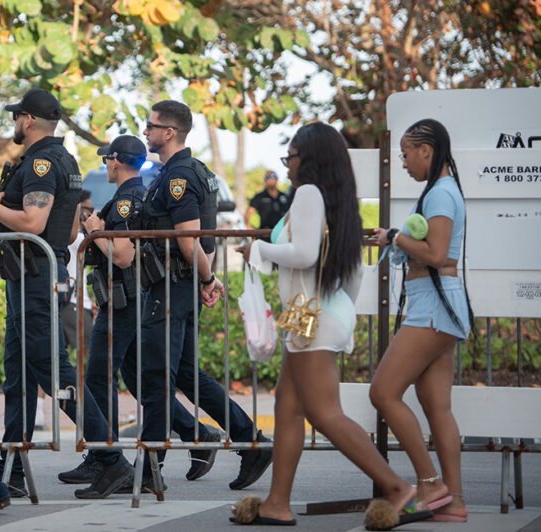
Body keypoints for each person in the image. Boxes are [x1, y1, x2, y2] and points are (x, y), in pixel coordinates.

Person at [232, 122, 432, 529]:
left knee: (323, 414)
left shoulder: (307, 193)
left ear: (308, 158)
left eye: (289, 156)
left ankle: (398, 490)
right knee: (288, 406)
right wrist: (340, 313)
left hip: (311, 315)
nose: (286, 165)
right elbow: (348, 269)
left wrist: (259, 248)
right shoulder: (336, 199)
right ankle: (276, 504)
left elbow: (304, 254)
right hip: (319, 311)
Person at [0, 88, 132, 498]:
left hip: (35, 275)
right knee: (20, 372)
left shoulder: (42, 163)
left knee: (50, 370)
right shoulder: (62, 159)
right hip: (32, 274)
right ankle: (12, 465)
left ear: (27, 120)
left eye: (16, 118)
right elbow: (72, 228)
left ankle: (111, 459)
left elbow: (32, 220)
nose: (14, 124)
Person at [59, 135, 222, 497]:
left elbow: (123, 256)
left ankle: (106, 460)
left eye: (107, 159)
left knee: (100, 377)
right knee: (136, 378)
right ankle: (196, 434)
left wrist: (94, 231)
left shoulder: (129, 199)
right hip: (128, 299)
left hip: (127, 301)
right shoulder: (129, 195)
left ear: (116, 161)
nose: (105, 165)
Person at [136, 100, 270, 492]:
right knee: (186, 376)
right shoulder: (193, 171)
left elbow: (190, 238)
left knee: (158, 375)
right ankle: (252, 443)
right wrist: (204, 278)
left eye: (151, 125)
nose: (146, 132)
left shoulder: (179, 176)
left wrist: (207, 279)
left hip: (173, 288)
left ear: (169, 132)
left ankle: (148, 470)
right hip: (180, 286)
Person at [369, 118, 472, 523]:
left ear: (426, 150)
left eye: (406, 154)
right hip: (438, 305)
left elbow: (435, 252)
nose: (404, 162)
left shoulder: (441, 194)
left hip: (433, 306)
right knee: (437, 408)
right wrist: (395, 238)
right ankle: (455, 503)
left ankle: (430, 484)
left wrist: (395, 237)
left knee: (383, 393)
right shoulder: (443, 190)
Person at [61, 189, 95, 353]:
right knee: (88, 358)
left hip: (74, 303)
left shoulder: (74, 238)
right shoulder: (77, 239)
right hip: (74, 306)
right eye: (88, 211)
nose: (91, 215)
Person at [246, 170, 290, 240]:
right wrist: (248, 226)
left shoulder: (285, 196)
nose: (271, 179)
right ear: (264, 180)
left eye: (273, 176)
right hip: (265, 235)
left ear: (277, 178)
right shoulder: (259, 197)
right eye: (267, 177)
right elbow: (248, 213)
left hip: (281, 234)